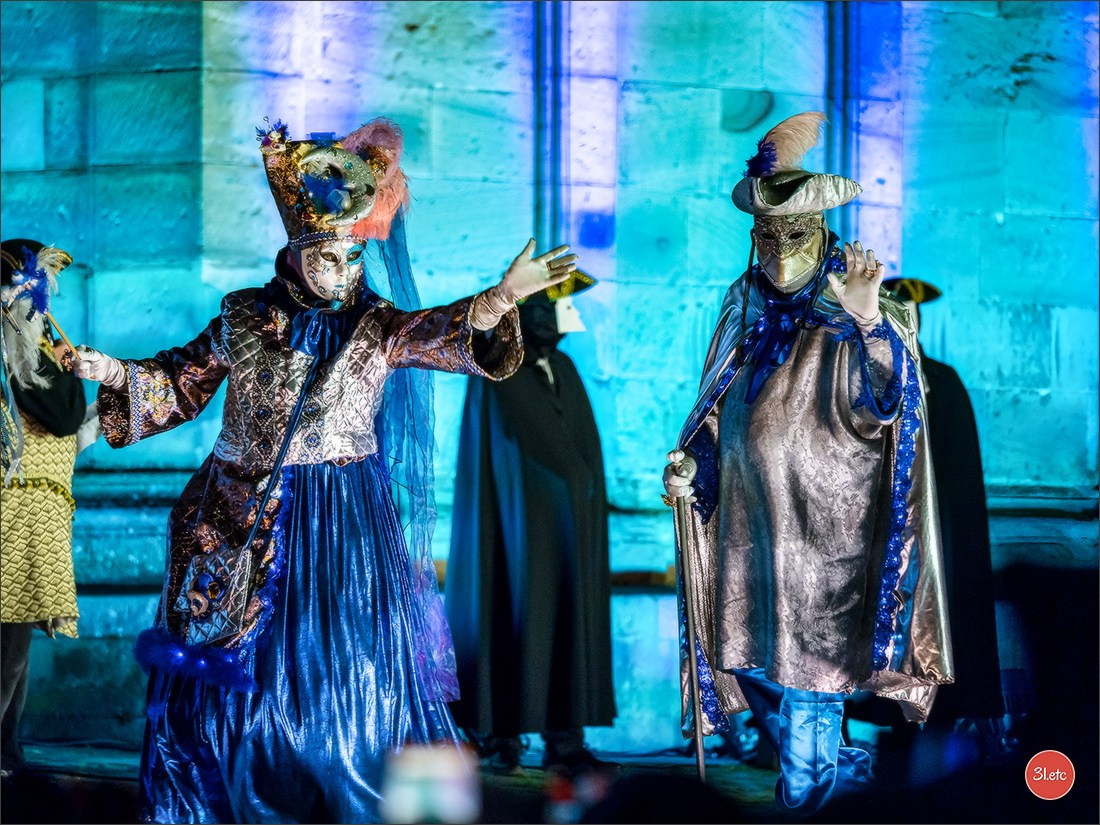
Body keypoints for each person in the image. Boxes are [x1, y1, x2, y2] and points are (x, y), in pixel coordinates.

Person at [72, 116, 578, 823]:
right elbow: (180, 380)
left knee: (349, 676)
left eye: (352, 259)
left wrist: (498, 297)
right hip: (243, 516)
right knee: (238, 683)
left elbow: (438, 333)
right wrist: (115, 372)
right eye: (327, 260)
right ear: (296, 251)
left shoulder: (375, 325)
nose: (343, 275)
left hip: (342, 525)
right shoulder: (242, 317)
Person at [661, 112, 954, 816]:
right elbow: (720, 405)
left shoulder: (863, 306)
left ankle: (813, 801)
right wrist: (693, 467)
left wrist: (867, 321)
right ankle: (825, 782)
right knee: (776, 675)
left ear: (821, 231)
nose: (778, 248)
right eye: (766, 233)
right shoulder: (744, 301)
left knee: (815, 685)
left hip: (831, 539)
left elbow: (894, 404)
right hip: (758, 534)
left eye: (794, 232)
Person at [443, 273, 616, 777]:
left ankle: (564, 736)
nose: (574, 317)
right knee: (513, 612)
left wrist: (581, 492)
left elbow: (579, 446)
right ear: (533, 313)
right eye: (563, 307)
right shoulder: (500, 368)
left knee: (563, 617)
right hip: (519, 528)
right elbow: (518, 451)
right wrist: (567, 485)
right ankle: (501, 734)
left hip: (563, 528)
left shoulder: (560, 365)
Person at [846, 277, 1007, 769]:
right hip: (885, 545)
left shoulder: (943, 382)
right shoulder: (872, 380)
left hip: (936, 546)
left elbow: (959, 487)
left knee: (935, 647)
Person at [0, 239, 88, 779]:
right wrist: (69, 371)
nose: (43, 311)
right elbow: (65, 414)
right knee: (8, 643)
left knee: (15, 643)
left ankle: (8, 750)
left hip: (32, 512)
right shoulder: (20, 358)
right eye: (35, 298)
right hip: (19, 515)